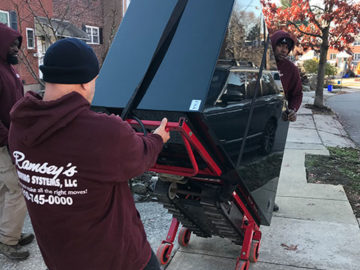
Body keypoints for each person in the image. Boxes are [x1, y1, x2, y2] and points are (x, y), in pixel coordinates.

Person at [8, 38, 170, 270]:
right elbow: (140, 156)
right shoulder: (104, 132)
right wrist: (157, 138)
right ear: (85, 82)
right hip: (120, 261)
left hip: (61, 260)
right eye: (95, 80)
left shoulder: (21, 125)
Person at [0, 23, 34, 260]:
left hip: (11, 138)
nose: (17, 49)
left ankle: (6, 232)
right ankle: (7, 240)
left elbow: (15, 98)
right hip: (3, 142)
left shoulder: (7, 68)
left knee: (4, 189)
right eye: (12, 45)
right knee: (18, 189)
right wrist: (9, 141)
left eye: (17, 45)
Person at [270, 30, 303, 122]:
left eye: (287, 47)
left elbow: (297, 94)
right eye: (280, 45)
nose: (284, 50)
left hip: (278, 118)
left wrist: (293, 109)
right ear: (272, 44)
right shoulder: (259, 63)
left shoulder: (291, 69)